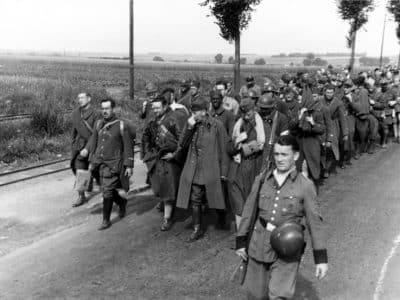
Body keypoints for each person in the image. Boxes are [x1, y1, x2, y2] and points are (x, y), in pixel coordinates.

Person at [236, 135, 328, 300]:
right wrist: (241, 241)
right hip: (259, 244)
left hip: (288, 248)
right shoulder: (262, 179)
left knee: (280, 295)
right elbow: (249, 210)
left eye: (284, 154)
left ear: (296, 156)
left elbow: (315, 223)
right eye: (277, 154)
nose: (279, 159)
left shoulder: (305, 186)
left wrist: (320, 259)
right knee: (255, 295)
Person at [172, 96, 230, 241]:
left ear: (205, 111)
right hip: (196, 168)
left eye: (196, 112)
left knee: (216, 197)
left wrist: (224, 172)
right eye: (192, 112)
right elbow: (182, 145)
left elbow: (224, 149)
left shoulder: (217, 125)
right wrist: (189, 128)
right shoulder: (191, 124)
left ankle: (222, 217)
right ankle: (197, 228)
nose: (194, 115)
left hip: (212, 168)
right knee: (195, 199)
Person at [88, 98, 134, 230]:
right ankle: (121, 201)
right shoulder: (98, 124)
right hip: (98, 165)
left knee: (107, 191)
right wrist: (91, 161)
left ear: (113, 109)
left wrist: (129, 165)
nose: (104, 111)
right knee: (106, 189)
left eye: (107, 108)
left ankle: (106, 220)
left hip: (113, 165)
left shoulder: (121, 125)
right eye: (102, 109)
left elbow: (128, 146)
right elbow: (93, 143)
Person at [142, 96, 182, 231]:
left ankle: (167, 218)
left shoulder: (172, 120)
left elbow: (181, 140)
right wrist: (148, 154)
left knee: (168, 188)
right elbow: (146, 136)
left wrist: (174, 154)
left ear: (165, 107)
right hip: (156, 159)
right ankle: (167, 203)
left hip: (168, 160)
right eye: (153, 108)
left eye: (157, 107)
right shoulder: (153, 121)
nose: (155, 110)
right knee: (158, 186)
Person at [228, 98, 265, 229]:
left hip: (255, 165)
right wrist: (237, 143)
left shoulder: (261, 124)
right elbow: (230, 146)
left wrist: (246, 148)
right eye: (243, 113)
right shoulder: (238, 124)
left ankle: (252, 229)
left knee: (252, 198)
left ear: (254, 110)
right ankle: (240, 232)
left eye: (248, 113)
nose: (245, 116)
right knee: (238, 199)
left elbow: (262, 144)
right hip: (238, 165)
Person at [70, 92, 100, 207]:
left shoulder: (96, 114)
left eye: (82, 97)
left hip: (93, 146)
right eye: (79, 98)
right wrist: (73, 144)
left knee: (96, 170)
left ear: (89, 99)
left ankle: (108, 191)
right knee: (80, 170)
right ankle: (81, 196)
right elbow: (74, 131)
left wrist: (88, 148)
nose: (80, 100)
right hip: (79, 147)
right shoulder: (76, 114)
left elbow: (96, 133)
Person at [319, 85, 348, 175]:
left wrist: (345, 132)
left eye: (331, 92)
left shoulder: (338, 103)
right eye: (327, 92)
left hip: (333, 124)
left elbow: (342, 118)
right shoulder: (320, 100)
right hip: (321, 123)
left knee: (331, 146)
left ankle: (326, 169)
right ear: (324, 92)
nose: (329, 94)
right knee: (320, 146)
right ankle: (320, 166)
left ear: (334, 93)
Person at [257, 94, 289, 169]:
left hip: (274, 151)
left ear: (272, 107)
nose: (263, 110)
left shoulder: (281, 118)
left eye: (266, 108)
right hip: (259, 151)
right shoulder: (257, 116)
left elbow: (284, 138)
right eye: (262, 108)